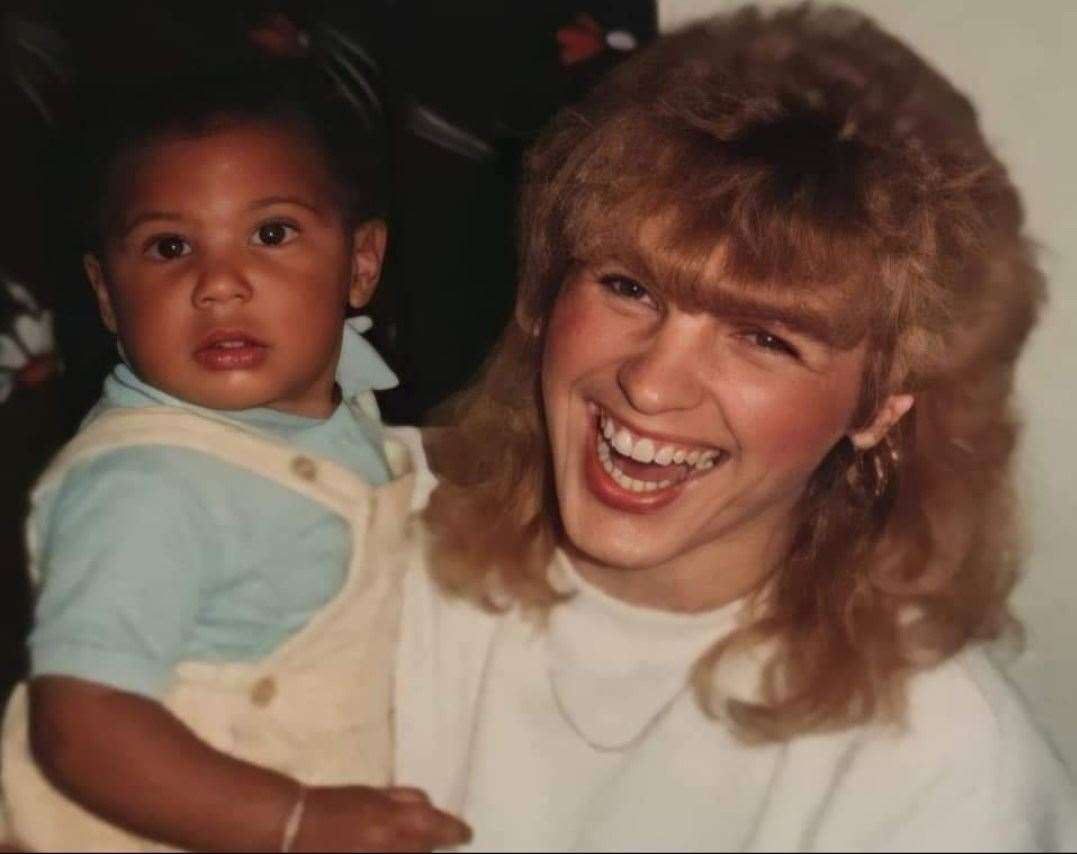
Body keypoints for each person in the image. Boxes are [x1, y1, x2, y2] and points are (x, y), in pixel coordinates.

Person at [395, 5, 1077, 850]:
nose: (649, 385)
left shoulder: (946, 773)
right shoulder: (354, 526)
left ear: (879, 409)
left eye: (762, 338)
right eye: (628, 288)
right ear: (548, 291)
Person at [0, 67, 469, 851]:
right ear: (109, 295)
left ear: (360, 264)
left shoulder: (331, 421)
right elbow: (81, 724)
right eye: (169, 246)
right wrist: (294, 821)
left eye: (272, 233)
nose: (218, 283)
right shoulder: (145, 485)